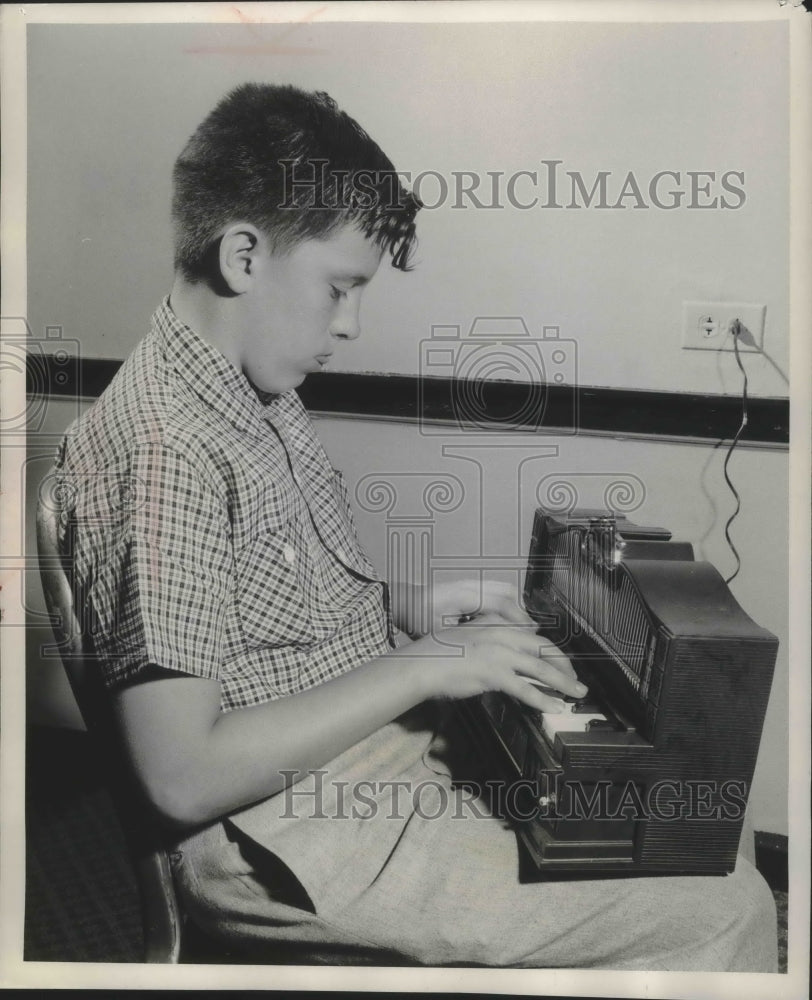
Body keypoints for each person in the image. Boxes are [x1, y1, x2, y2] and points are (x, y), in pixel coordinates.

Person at [51, 82, 777, 969]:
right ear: (243, 255)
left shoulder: (244, 390)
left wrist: (414, 608)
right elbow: (181, 776)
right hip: (295, 837)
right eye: (340, 288)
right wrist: (425, 664)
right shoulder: (168, 453)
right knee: (723, 901)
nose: (351, 326)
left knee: (690, 823)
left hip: (360, 765)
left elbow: (253, 609)